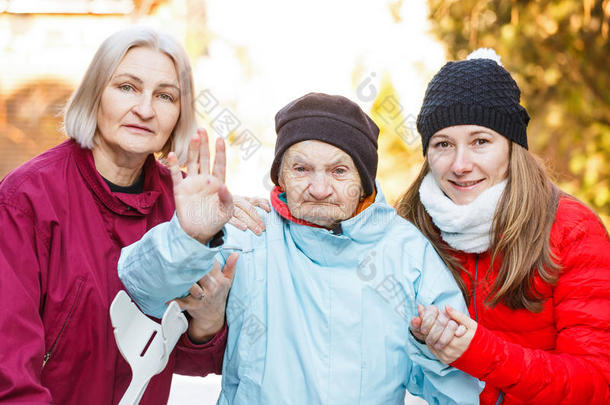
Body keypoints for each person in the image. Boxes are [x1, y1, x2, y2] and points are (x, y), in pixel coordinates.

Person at [118, 93, 483, 404]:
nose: (320, 188)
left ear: (364, 181)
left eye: (339, 171)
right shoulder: (247, 232)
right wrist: (187, 236)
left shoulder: (407, 253)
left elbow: (460, 389)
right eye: (302, 169)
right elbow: (141, 289)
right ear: (280, 175)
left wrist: (433, 349)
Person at [0, 28, 231, 405]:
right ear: (94, 95)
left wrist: (208, 322)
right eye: (127, 87)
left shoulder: (184, 207)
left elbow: (181, 361)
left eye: (165, 96)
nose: (145, 109)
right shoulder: (25, 200)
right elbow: (8, 375)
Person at [402, 49, 610, 404]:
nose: (460, 164)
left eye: (480, 141)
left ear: (513, 146)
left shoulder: (571, 229)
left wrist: (478, 351)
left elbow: (595, 381)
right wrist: (276, 225)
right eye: (443, 144)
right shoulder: (408, 227)